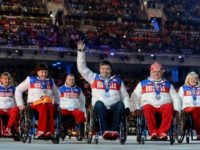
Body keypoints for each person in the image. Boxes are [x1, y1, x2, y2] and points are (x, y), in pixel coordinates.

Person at [77, 41, 131, 140]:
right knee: (98, 103)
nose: (105, 71)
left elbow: (125, 96)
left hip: (114, 109)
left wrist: (128, 107)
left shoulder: (118, 80)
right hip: (99, 109)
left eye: (107, 69)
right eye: (103, 69)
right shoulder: (93, 77)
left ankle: (114, 131)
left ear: (111, 70)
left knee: (120, 104)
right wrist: (81, 52)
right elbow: (82, 68)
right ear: (99, 69)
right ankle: (105, 131)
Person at [131, 62, 181, 140]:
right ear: (151, 72)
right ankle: (153, 132)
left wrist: (177, 109)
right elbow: (135, 96)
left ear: (162, 73)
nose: (156, 73)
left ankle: (162, 132)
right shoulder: (143, 83)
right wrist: (136, 108)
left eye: (158, 72)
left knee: (169, 106)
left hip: (163, 105)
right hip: (149, 105)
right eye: (154, 72)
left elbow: (176, 97)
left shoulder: (168, 84)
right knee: (147, 107)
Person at [15, 63, 60, 138]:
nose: (44, 74)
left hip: (47, 103)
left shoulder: (50, 81)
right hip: (34, 103)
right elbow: (18, 90)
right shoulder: (31, 79)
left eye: (46, 72)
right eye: (42, 72)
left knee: (52, 107)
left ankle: (49, 131)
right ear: (37, 72)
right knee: (44, 107)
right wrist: (20, 104)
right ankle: (41, 131)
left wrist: (57, 103)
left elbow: (57, 93)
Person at [58, 74, 86, 140]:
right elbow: (56, 100)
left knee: (80, 114)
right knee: (60, 115)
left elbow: (82, 101)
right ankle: (63, 131)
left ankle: (81, 133)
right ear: (66, 80)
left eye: (73, 80)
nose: (71, 81)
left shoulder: (78, 89)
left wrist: (84, 112)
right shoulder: (61, 89)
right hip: (64, 109)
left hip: (75, 109)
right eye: (69, 79)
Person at [178, 71, 200, 140]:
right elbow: (178, 99)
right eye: (191, 79)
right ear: (188, 80)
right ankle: (199, 133)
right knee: (196, 109)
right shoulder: (183, 88)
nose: (193, 80)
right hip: (187, 108)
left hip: (198, 108)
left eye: (195, 79)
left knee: (197, 110)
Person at [0, 72, 19, 136]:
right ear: (1, 79)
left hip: (10, 109)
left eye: (8, 79)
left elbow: (17, 98)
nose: (7, 81)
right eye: (5, 79)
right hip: (1, 109)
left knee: (16, 109)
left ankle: (8, 129)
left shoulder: (14, 89)